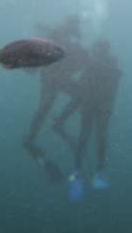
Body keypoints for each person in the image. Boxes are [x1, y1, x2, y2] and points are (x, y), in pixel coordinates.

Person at [52, 39, 121, 202]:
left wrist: (62, 118)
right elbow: (81, 94)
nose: (96, 53)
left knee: (89, 137)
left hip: (95, 106)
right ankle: (95, 172)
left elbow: (78, 96)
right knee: (96, 137)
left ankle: (80, 172)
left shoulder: (100, 67)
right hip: (99, 106)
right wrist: (62, 118)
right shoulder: (108, 67)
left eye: (98, 50)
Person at [22, 15, 89, 181]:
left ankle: (32, 137)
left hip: (53, 76)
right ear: (70, 25)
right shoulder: (58, 34)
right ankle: (48, 128)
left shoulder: (65, 37)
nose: (77, 30)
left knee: (46, 106)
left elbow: (75, 62)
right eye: (75, 26)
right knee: (53, 103)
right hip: (53, 76)